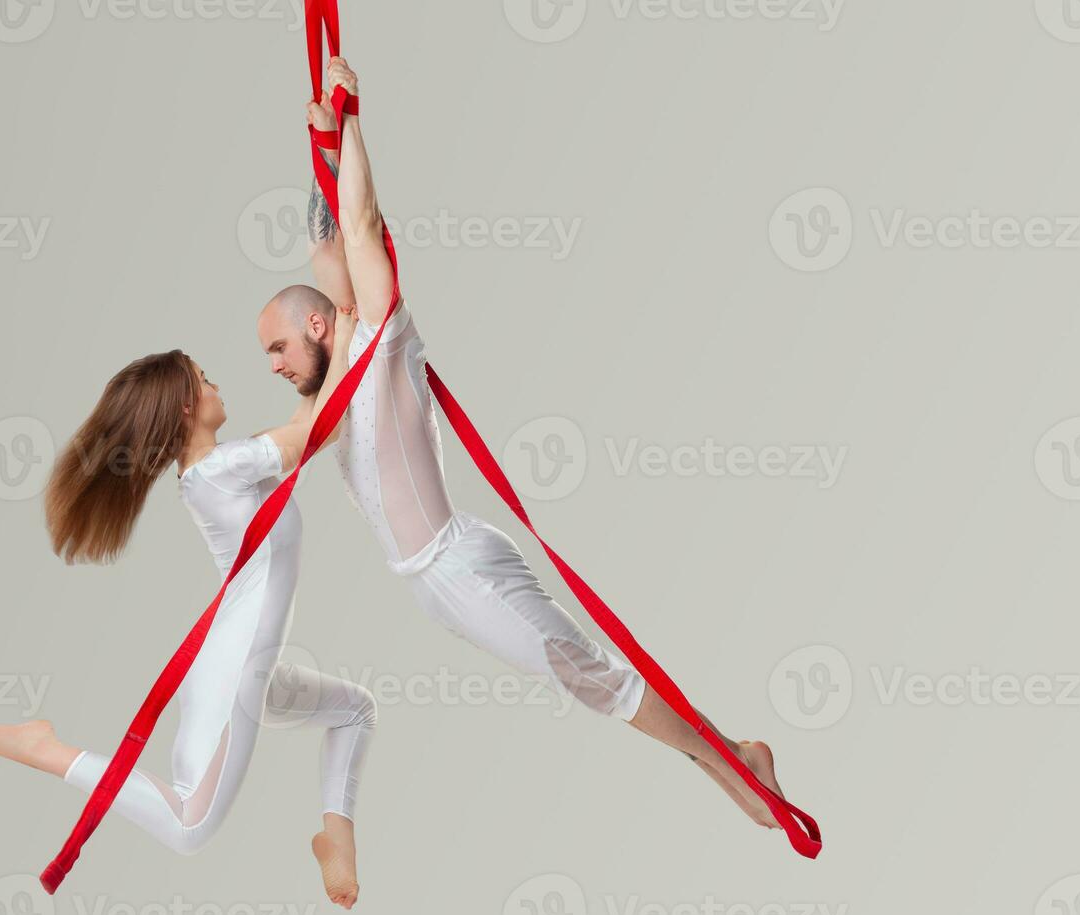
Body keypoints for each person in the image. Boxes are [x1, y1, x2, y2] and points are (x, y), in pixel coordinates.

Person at [256, 56, 790, 832]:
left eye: (276, 348)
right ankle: (735, 765)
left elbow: (357, 229)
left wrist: (352, 119)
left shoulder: (378, 331)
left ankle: (739, 763)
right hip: (435, 585)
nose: (273, 367)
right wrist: (324, 148)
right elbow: (325, 236)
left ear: (316, 324)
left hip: (458, 563)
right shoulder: (333, 387)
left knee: (594, 680)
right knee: (591, 683)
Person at [0, 317, 376, 908]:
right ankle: (46, 750)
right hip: (237, 675)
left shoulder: (219, 469)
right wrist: (352, 321)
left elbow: (301, 425)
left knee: (355, 712)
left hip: (243, 669)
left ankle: (336, 839)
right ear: (186, 407)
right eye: (204, 379)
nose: (216, 384)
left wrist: (341, 327)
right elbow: (323, 427)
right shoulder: (219, 471)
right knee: (187, 828)